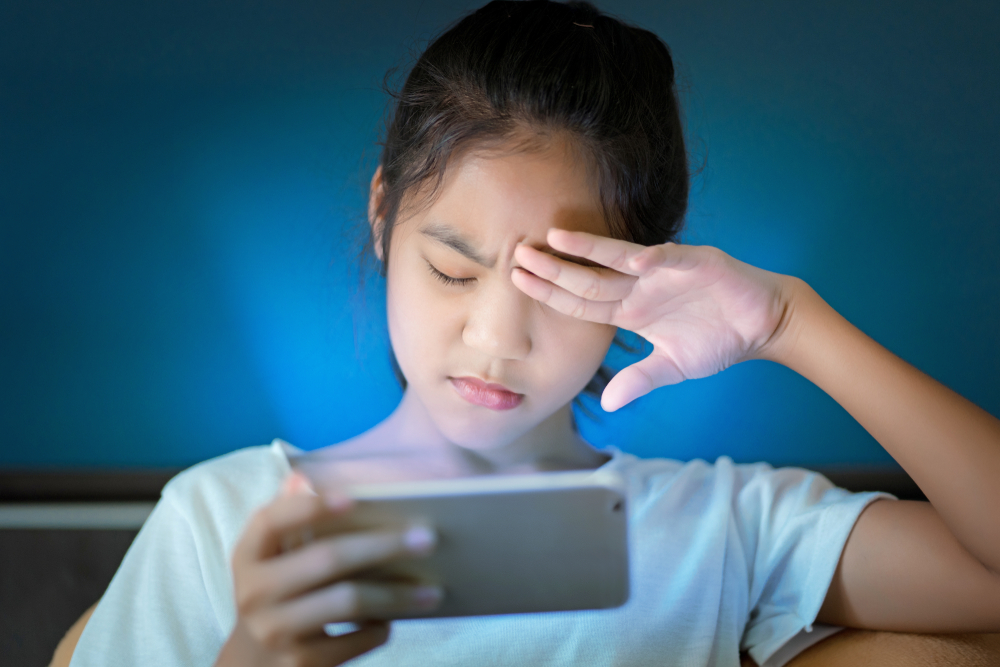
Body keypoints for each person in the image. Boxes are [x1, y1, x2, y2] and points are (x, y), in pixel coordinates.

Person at [65, 2, 1000, 666]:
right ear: (384, 215)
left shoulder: (719, 531)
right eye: (452, 269)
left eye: (558, 286)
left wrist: (795, 323)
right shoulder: (223, 521)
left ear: (640, 275)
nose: (494, 335)